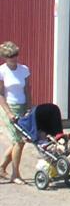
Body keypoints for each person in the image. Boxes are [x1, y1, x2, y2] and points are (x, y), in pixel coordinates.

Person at [0, 41, 30, 184]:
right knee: (18, 141)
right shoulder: (2, 71)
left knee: (19, 142)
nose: (13, 58)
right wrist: (8, 113)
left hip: (22, 106)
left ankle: (1, 168)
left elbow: (27, 90)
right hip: (9, 107)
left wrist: (29, 107)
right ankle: (15, 174)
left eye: (15, 55)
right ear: (5, 57)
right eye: (10, 56)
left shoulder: (24, 69)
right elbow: (0, 94)